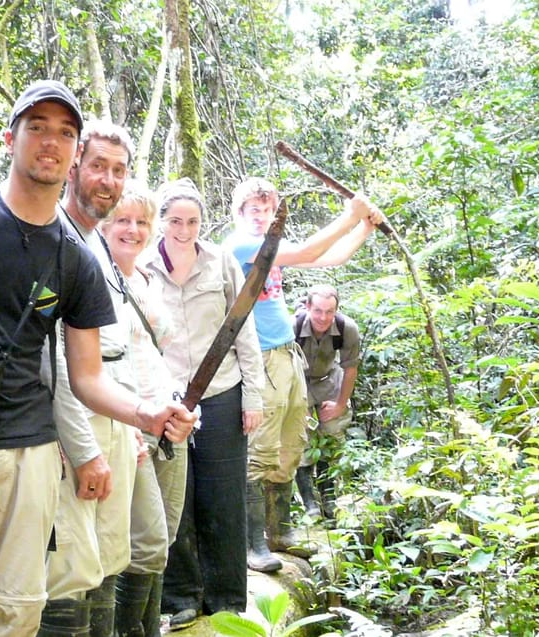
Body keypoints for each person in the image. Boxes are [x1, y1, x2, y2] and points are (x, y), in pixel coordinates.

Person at [0, 80, 195, 637]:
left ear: (74, 154)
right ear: (10, 139)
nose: (51, 143)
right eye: (38, 128)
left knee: (18, 609)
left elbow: (88, 376)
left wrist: (147, 416)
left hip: (31, 449)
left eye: (65, 133)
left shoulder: (76, 256)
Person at [222, 177, 384, 572]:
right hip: (258, 358)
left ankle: (281, 532)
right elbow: (312, 248)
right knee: (260, 449)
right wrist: (350, 214)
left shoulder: (273, 251)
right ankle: (252, 544)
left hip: (286, 355)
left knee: (292, 442)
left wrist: (364, 226)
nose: (262, 217)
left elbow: (328, 258)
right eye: (254, 210)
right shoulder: (240, 245)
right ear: (240, 213)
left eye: (268, 210)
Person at [143, 178, 266, 631]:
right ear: (162, 222)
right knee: (177, 500)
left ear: (202, 223)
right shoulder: (142, 266)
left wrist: (253, 395)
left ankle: (228, 597)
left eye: (192, 221)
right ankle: (181, 598)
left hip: (221, 393)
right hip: (166, 401)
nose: (183, 229)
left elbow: (243, 331)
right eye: (175, 220)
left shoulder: (222, 263)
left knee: (223, 497)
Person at [41, 119, 147, 636]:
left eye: (119, 171)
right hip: (73, 421)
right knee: (70, 567)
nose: (107, 180)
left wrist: (130, 423)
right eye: (99, 166)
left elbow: (118, 346)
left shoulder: (98, 243)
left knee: (109, 554)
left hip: (111, 412)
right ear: (75, 164)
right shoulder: (55, 236)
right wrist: (81, 445)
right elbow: (54, 354)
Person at [101, 181, 188, 636]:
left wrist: (179, 404)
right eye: (122, 219)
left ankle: (149, 625)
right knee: (145, 541)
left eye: (141, 222)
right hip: (126, 424)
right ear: (104, 224)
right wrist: (123, 423)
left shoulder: (146, 279)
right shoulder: (94, 278)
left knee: (163, 537)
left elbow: (159, 354)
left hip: (166, 421)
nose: (132, 230)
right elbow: (91, 362)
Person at [293, 285, 361, 520]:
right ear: (308, 307)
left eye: (329, 312)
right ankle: (309, 502)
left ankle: (328, 497)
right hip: (298, 382)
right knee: (300, 438)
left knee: (331, 435)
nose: (323, 317)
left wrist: (341, 404)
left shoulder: (346, 328)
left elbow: (350, 367)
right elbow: (281, 367)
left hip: (329, 380)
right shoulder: (293, 326)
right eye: (318, 310)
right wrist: (294, 406)